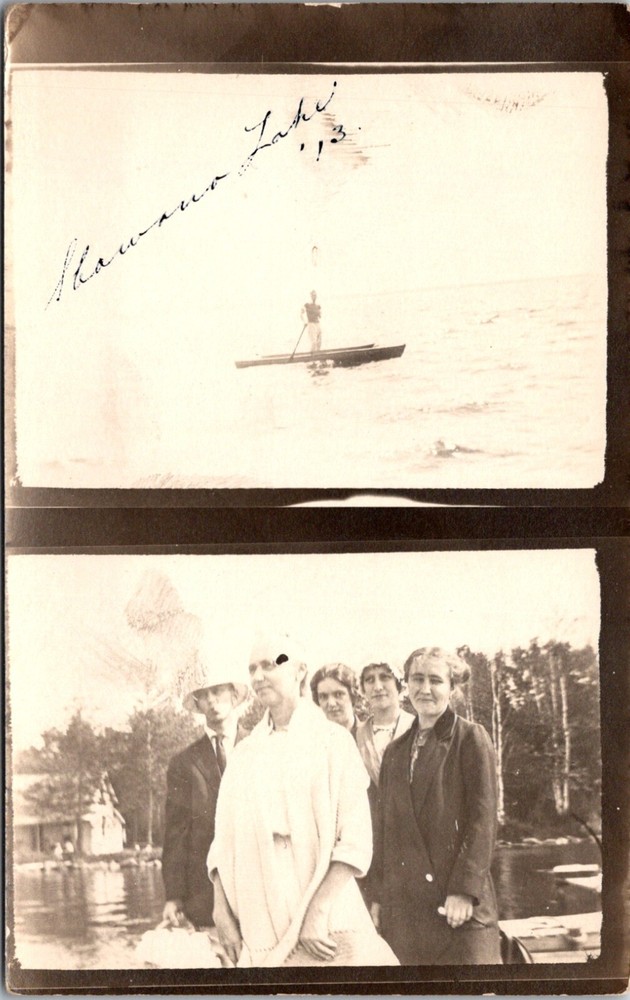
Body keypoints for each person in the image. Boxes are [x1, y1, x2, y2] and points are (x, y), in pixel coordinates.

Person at [207, 634, 398, 967]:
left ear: (299, 672)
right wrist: (221, 911)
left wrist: (317, 913)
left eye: (270, 664)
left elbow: (355, 841)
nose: (258, 676)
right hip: (260, 917)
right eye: (252, 668)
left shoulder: (333, 742)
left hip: (326, 915)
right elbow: (222, 842)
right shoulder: (245, 754)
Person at [372, 646, 502, 965]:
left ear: (452, 688)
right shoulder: (394, 752)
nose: (425, 689)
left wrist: (463, 891)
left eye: (435, 680)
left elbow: (483, 822)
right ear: (406, 686)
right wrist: (378, 897)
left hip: (461, 912)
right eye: (417, 679)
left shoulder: (470, 738)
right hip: (408, 916)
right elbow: (387, 833)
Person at [161, 656, 249, 930]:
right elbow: (176, 834)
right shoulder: (183, 763)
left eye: (218, 690)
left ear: (233, 694)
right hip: (206, 893)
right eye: (203, 694)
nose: (212, 700)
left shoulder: (260, 748)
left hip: (257, 884)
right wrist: (173, 896)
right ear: (197, 704)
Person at [355, 662, 415, 906]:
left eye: (384, 678)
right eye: (369, 680)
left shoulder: (419, 725)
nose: (377, 686)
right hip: (377, 846)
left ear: (399, 683)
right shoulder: (357, 735)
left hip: (416, 843)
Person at [310, 662, 360, 735]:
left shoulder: (370, 735)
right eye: (323, 696)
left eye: (338, 694)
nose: (331, 703)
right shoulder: (315, 739)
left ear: (353, 695)